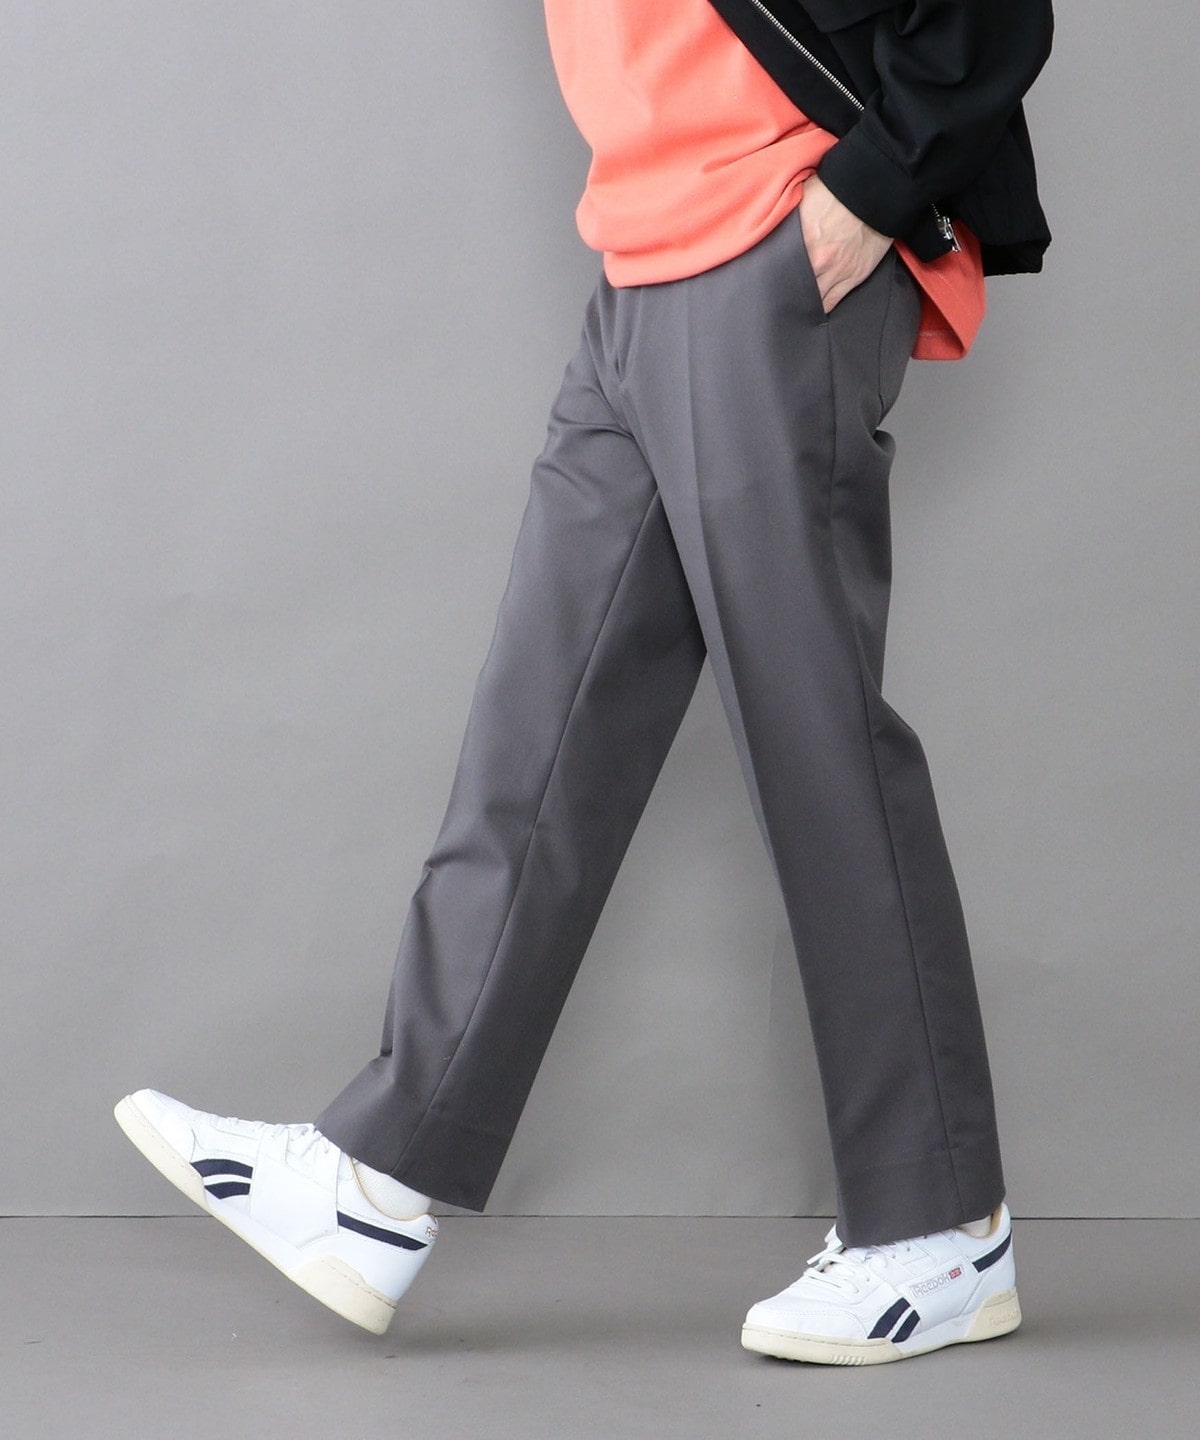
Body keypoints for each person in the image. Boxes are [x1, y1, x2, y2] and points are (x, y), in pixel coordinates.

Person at [115, 0, 1053, 1365]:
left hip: (770, 228)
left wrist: (873, 184)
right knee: (540, 740)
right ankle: (377, 1183)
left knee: (815, 744)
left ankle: (938, 1226)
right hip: (644, 249)